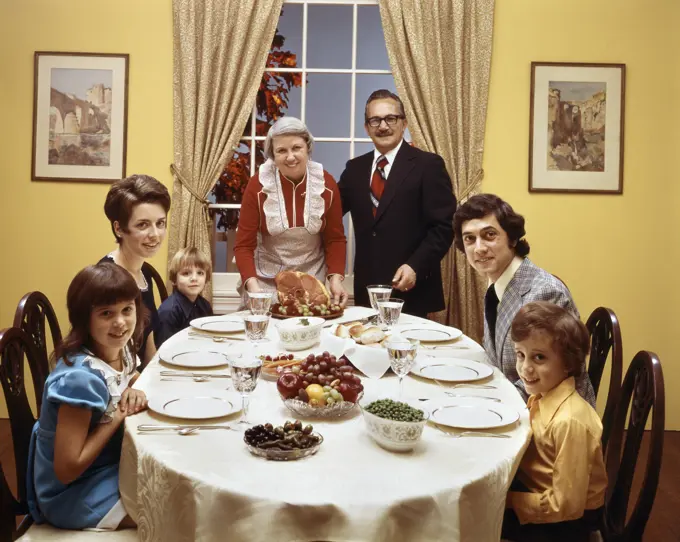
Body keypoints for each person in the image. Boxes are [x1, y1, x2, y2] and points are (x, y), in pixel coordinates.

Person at [27, 262, 147, 530]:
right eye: (106, 313)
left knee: (169, 488)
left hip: (109, 465)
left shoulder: (118, 349)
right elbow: (67, 469)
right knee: (165, 511)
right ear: (84, 319)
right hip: (73, 494)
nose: (120, 322)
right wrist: (117, 415)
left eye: (127, 310)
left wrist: (135, 386)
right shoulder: (80, 380)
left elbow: (128, 377)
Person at [453, 193, 595, 405]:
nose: (479, 248)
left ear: (512, 238)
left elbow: (547, 382)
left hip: (551, 420)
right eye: (469, 239)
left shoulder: (544, 292)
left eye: (489, 235)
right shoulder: (497, 282)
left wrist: (477, 400)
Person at [338, 89, 456, 318]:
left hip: (412, 290)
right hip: (367, 293)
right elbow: (329, 214)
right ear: (366, 127)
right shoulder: (354, 169)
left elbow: (444, 226)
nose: (383, 126)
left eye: (391, 118)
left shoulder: (428, 165)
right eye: (375, 120)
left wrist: (415, 266)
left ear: (404, 123)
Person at [502, 301, 607, 542]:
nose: (525, 368)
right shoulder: (543, 394)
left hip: (568, 520)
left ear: (569, 363)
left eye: (539, 357)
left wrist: (508, 500)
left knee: (476, 520)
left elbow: (566, 505)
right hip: (542, 488)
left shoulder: (570, 421)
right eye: (521, 354)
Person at [234, 117, 348, 306]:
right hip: (266, 280)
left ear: (308, 148)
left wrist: (335, 279)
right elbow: (243, 245)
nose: (290, 157)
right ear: (272, 154)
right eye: (281, 150)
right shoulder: (258, 185)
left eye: (296, 148)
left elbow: (335, 239)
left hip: (312, 277)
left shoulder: (326, 184)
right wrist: (253, 288)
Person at [102, 174, 171, 366]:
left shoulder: (143, 272)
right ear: (119, 229)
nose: (155, 235)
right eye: (143, 225)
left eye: (160, 223)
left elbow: (147, 339)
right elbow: (108, 363)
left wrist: (158, 372)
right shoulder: (109, 280)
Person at [156, 247, 213, 346]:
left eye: (200, 273)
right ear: (174, 280)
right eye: (186, 273)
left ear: (206, 277)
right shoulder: (169, 312)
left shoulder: (205, 305)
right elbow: (165, 349)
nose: (194, 278)